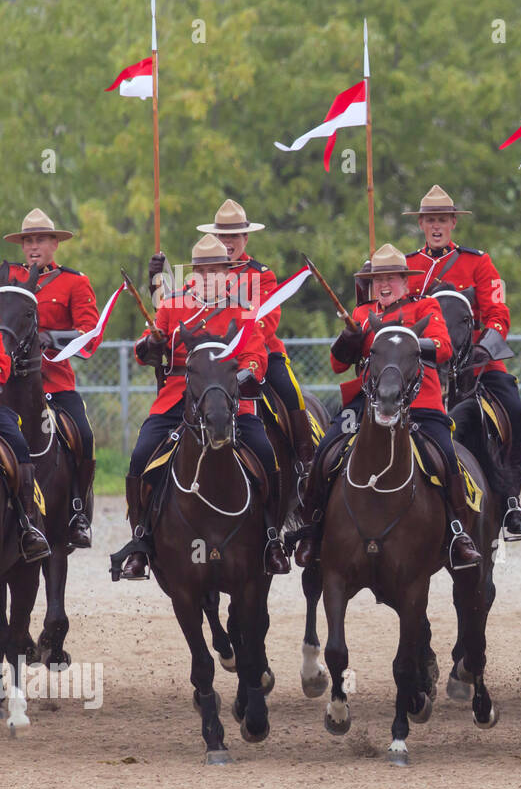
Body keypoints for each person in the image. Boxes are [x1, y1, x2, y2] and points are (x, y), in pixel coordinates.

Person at [293, 244, 482, 572]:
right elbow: (338, 365)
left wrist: (407, 342)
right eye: (377, 278)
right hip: (367, 404)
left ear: (405, 282)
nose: (384, 284)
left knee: (446, 458)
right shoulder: (363, 314)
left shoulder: (426, 307)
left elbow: (444, 347)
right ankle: (313, 530)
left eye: (392, 278)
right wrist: (349, 340)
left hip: (420, 401)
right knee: (326, 452)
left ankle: (458, 531)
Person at [122, 235, 288, 579]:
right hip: (179, 393)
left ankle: (272, 536)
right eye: (204, 270)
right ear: (193, 272)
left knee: (265, 453)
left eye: (218, 269)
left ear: (229, 273)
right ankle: (139, 540)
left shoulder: (241, 305)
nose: (211, 275)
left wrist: (244, 375)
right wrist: (151, 344)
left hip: (228, 395)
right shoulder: (172, 303)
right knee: (141, 455)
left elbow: (255, 353)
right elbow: (146, 349)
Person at [404, 185, 521, 536]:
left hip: (477, 361)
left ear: (454, 222)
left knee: (514, 409)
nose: (437, 226)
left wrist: (483, 350)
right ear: (422, 225)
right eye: (431, 221)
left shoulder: (478, 262)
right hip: (425, 363)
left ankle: (511, 499)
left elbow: (498, 313)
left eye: (443, 219)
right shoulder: (409, 266)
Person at [197, 199, 317, 476]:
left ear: (245, 237)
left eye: (234, 236)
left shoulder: (261, 275)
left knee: (290, 393)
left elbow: (267, 318)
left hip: (259, 350)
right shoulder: (202, 273)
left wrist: (241, 338)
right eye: (222, 235)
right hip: (212, 355)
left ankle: (305, 463)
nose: (228, 242)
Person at [3, 208, 99, 547]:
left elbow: (91, 334)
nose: (33, 246)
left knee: (84, 436)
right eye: (28, 239)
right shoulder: (6, 277)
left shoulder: (74, 282)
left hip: (55, 383)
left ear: (54, 244)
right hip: (8, 384)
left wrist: (55, 338)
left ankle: (77, 509)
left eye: (41, 239)